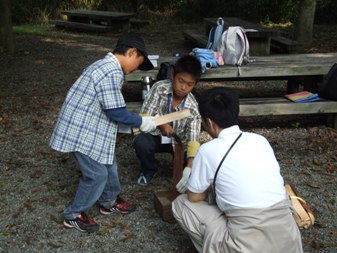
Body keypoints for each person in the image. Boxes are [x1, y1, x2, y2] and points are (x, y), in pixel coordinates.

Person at [172, 87, 303, 253]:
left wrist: (209, 186)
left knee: (181, 204)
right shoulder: (260, 140)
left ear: (210, 123)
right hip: (288, 239)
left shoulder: (208, 150)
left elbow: (194, 196)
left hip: (245, 245)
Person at [49, 33, 157, 233]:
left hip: (89, 127)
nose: (135, 70)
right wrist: (143, 122)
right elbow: (116, 111)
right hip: (81, 132)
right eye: (137, 64)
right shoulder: (110, 71)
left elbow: (111, 109)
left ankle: (108, 201)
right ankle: (73, 215)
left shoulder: (105, 66)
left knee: (108, 164)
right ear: (131, 52)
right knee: (96, 174)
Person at [133, 55, 202, 193]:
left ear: (194, 84)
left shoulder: (193, 107)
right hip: (156, 136)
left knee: (193, 165)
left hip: (179, 142)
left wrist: (189, 166)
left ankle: (181, 168)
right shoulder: (159, 88)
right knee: (141, 142)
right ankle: (150, 168)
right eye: (180, 81)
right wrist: (161, 124)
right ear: (173, 75)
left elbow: (193, 139)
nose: (183, 87)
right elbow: (144, 116)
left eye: (189, 84)